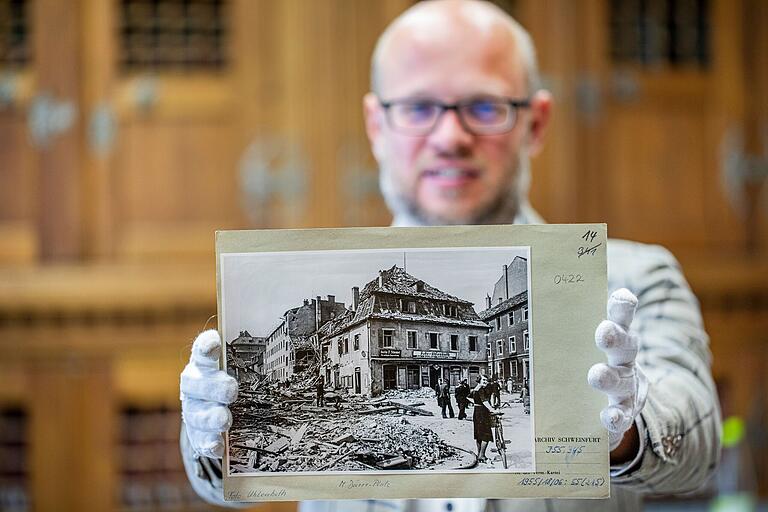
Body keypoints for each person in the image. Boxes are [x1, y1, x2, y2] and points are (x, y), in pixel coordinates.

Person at [178, 1, 720, 510]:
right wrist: (208, 437)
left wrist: (629, 427)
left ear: (536, 122)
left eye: (484, 106)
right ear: (376, 125)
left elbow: (697, 441)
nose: (450, 136)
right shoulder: (351, 293)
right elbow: (218, 479)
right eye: (418, 107)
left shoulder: (634, 275)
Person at [470, 374, 501, 464]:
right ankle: (482, 456)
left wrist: (476, 402)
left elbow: (468, 397)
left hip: (476, 411)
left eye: (486, 381)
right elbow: (485, 401)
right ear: (479, 380)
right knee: (486, 434)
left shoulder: (475, 389)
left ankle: (479, 453)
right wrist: (493, 410)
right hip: (482, 412)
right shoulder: (481, 389)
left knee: (479, 434)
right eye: (483, 380)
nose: (485, 382)